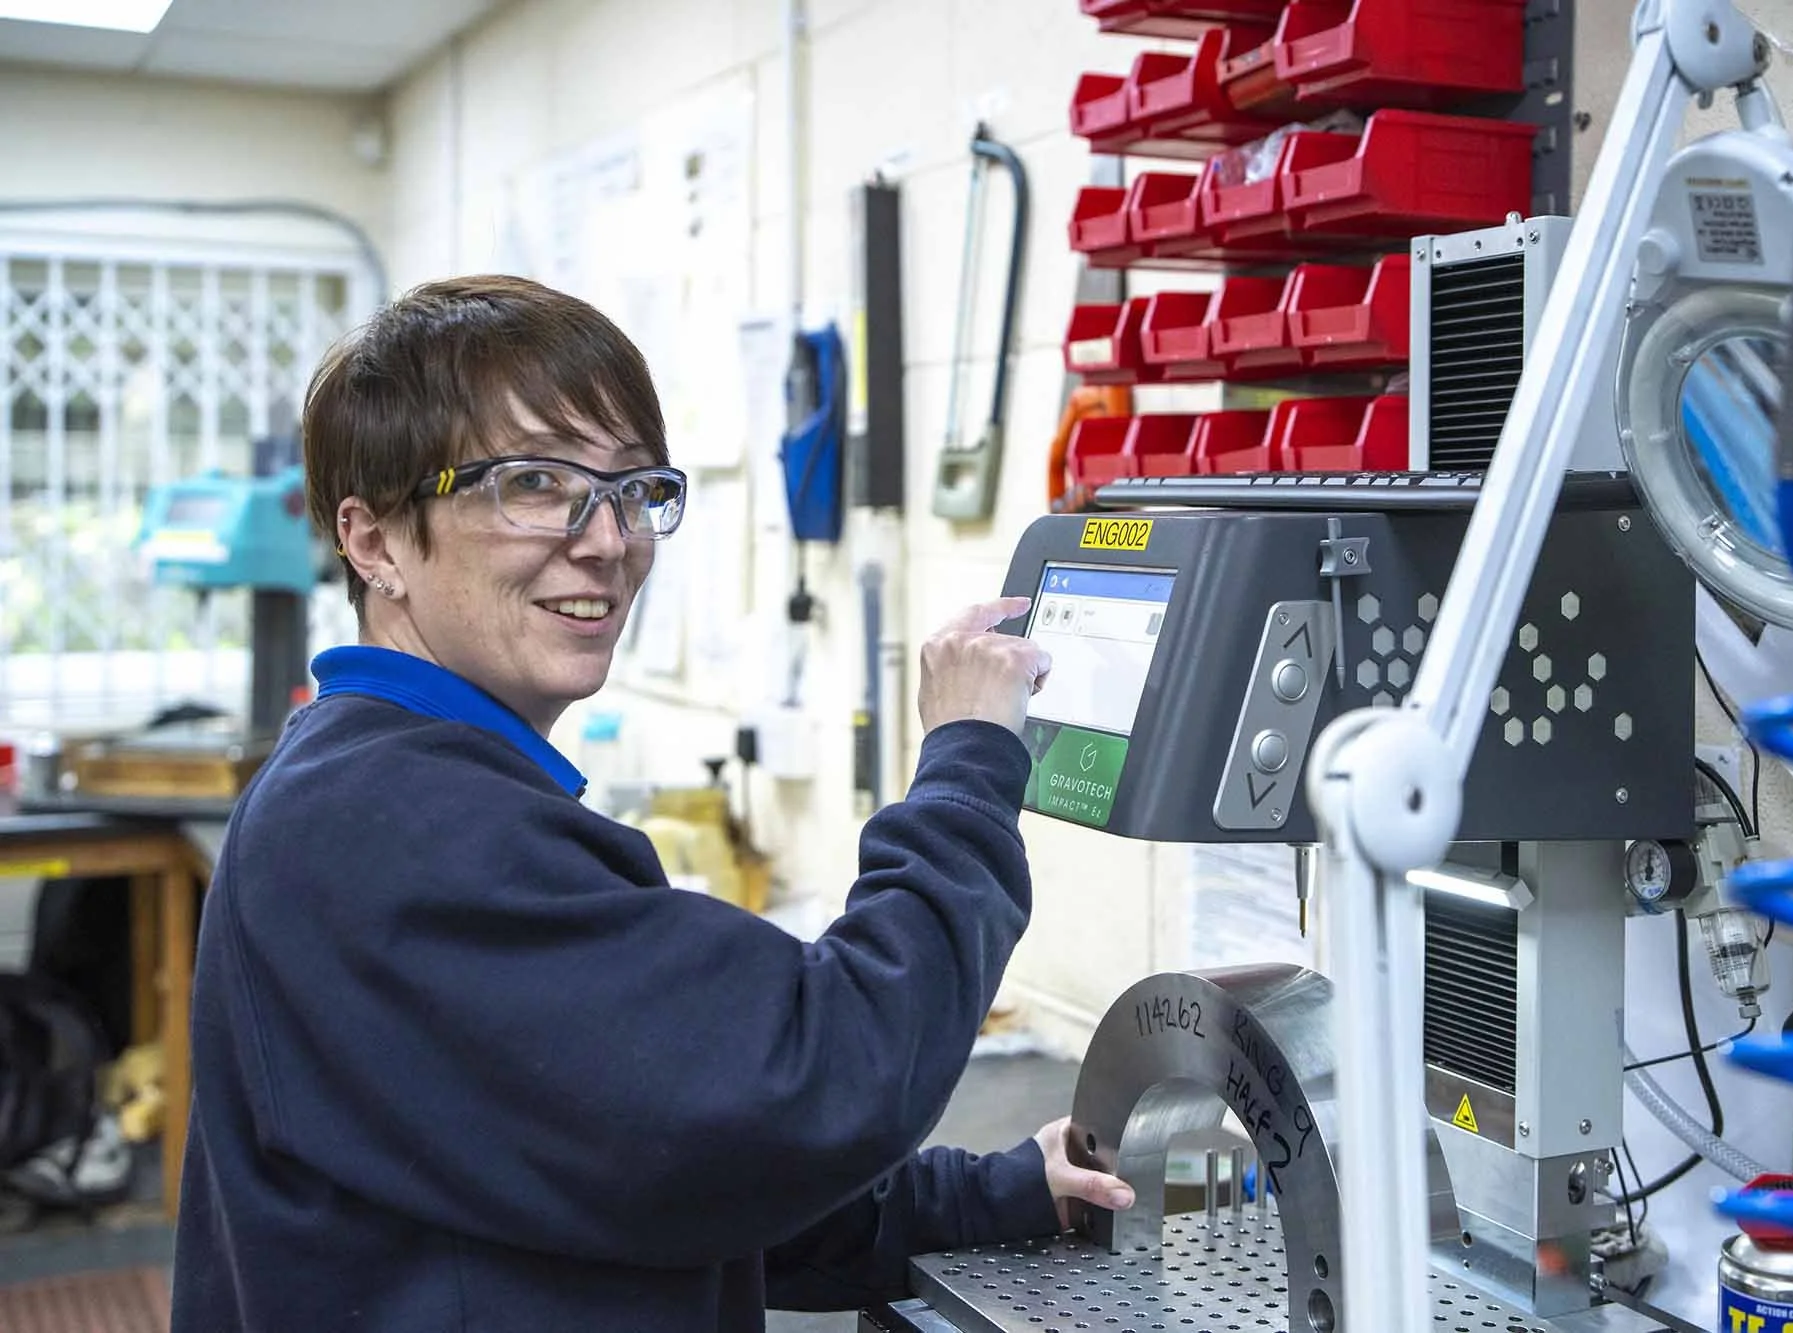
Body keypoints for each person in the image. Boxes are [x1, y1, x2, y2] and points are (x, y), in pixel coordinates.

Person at [171, 274, 1133, 1332]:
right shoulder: (392, 828)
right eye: (532, 482)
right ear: (374, 542)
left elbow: (657, 1163)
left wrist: (990, 1193)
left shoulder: (387, 784)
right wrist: (966, 762)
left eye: (633, 489)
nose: (604, 539)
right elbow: (810, 1085)